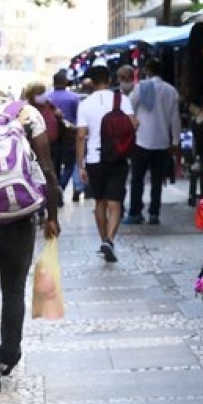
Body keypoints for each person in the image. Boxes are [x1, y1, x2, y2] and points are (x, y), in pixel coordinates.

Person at [0, 62, 60, 397]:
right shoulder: (25, 112)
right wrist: (52, 214)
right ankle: (9, 355)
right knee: (14, 290)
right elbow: (46, 167)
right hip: (21, 213)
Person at [77, 65, 137, 263]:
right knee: (115, 202)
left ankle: (104, 239)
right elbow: (134, 123)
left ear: (92, 82)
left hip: (94, 159)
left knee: (100, 202)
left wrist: (80, 165)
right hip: (117, 157)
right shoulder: (122, 100)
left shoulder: (85, 104)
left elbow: (80, 136)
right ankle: (110, 240)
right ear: (109, 80)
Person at [123, 58, 180, 225]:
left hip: (141, 140)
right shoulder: (171, 91)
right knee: (157, 180)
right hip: (162, 142)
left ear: (147, 70)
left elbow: (129, 108)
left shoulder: (141, 87)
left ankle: (135, 212)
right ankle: (154, 213)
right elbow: (175, 119)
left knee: (137, 179)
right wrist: (175, 140)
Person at [45, 71, 84, 202]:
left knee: (54, 165)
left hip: (52, 137)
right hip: (70, 135)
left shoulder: (47, 98)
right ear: (66, 82)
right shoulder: (74, 98)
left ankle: (57, 191)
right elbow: (79, 117)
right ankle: (61, 186)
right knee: (70, 164)